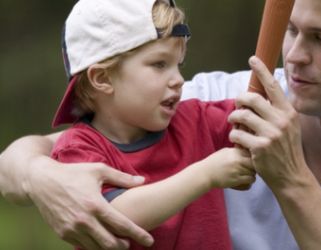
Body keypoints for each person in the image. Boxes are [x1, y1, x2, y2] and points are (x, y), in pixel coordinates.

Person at [1, 0, 321, 249]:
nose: (295, 55)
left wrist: (291, 180)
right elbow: (25, 159)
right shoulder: (213, 100)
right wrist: (44, 178)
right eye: (291, 30)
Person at [11, 0, 255, 249]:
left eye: (177, 64)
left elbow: (256, 118)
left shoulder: (196, 119)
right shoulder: (79, 149)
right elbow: (117, 214)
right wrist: (207, 174)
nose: (179, 80)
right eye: (160, 64)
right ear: (102, 78)